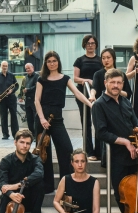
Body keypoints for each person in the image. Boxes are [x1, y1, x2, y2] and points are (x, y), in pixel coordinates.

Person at [34, 51, 93, 192]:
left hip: (57, 118)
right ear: (46, 63)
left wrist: (91, 104)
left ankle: (65, 184)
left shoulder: (65, 78)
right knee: (44, 154)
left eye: (54, 61)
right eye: (49, 61)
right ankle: (47, 186)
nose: (52, 63)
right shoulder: (41, 79)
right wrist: (42, 118)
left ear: (58, 62)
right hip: (42, 118)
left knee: (67, 150)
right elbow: (36, 100)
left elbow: (77, 93)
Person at [92, 68, 138, 213]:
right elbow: (101, 133)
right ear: (105, 83)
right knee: (121, 194)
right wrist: (126, 142)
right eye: (112, 82)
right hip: (115, 157)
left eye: (119, 83)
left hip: (134, 156)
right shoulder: (99, 104)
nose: (116, 85)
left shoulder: (126, 102)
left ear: (122, 84)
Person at [90, 48, 133, 162]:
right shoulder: (98, 74)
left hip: (119, 106)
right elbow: (94, 88)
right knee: (102, 129)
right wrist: (92, 95)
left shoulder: (121, 74)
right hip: (104, 104)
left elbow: (128, 93)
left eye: (108, 57)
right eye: (103, 58)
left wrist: (116, 89)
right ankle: (99, 153)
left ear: (113, 58)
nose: (106, 60)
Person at [73, 35, 103, 160]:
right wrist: (87, 80)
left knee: (99, 123)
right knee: (86, 123)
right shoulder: (79, 60)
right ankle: (90, 152)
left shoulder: (101, 60)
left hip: (99, 95)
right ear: (84, 45)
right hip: (83, 94)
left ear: (96, 45)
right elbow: (75, 78)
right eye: (88, 43)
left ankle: (99, 151)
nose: (90, 45)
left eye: (92, 43)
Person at [0, 61, 19, 140]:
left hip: (11, 98)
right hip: (2, 99)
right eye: (3, 66)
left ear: (8, 67)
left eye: (6, 66)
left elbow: (16, 85)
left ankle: (15, 134)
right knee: (3, 117)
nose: (5, 67)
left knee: (14, 116)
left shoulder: (11, 75)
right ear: (1, 66)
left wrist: (12, 90)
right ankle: (5, 134)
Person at [22, 63, 40, 135]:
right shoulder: (25, 77)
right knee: (29, 119)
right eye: (26, 69)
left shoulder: (37, 76)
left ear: (33, 67)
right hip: (27, 100)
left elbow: (37, 86)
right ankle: (31, 134)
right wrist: (21, 96)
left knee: (36, 118)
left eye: (28, 68)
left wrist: (28, 89)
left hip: (34, 100)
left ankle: (36, 134)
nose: (27, 70)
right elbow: (22, 87)